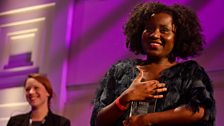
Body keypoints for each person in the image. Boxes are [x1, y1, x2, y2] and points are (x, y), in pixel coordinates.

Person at [90, 1, 215, 126]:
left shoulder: (189, 72)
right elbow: (98, 120)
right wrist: (125, 98)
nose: (155, 34)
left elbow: (200, 110)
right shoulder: (120, 71)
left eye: (164, 30)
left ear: (178, 37)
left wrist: (146, 119)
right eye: (149, 29)